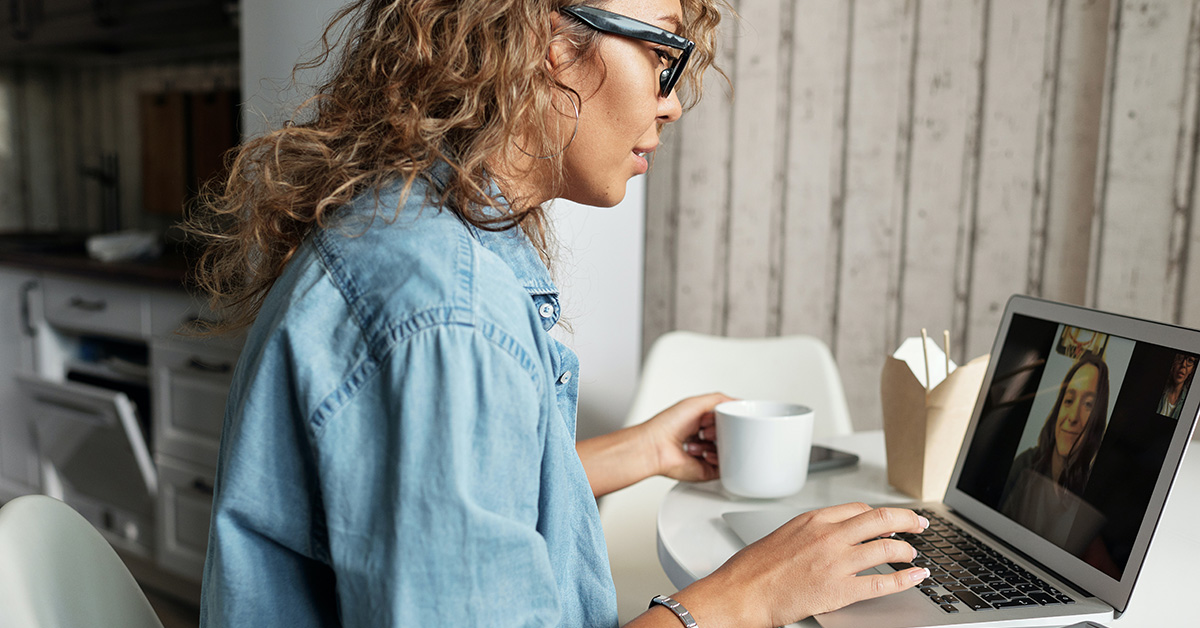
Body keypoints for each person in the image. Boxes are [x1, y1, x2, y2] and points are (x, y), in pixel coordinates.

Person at [189, 1, 931, 626]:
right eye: (663, 49)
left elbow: (439, 506)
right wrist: (743, 598)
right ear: (546, 41)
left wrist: (638, 452)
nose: (671, 101)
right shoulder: (451, 315)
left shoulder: (406, 234)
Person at [1000, 353, 1110, 551]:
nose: (1073, 417)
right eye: (1069, 400)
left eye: (1088, 405)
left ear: (1097, 418)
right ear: (1059, 406)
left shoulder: (1090, 493)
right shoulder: (1024, 465)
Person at [1156, 353, 1195, 419]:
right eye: (1180, 358)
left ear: (1192, 369)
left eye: (1190, 360)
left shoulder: (1189, 402)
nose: (1183, 365)